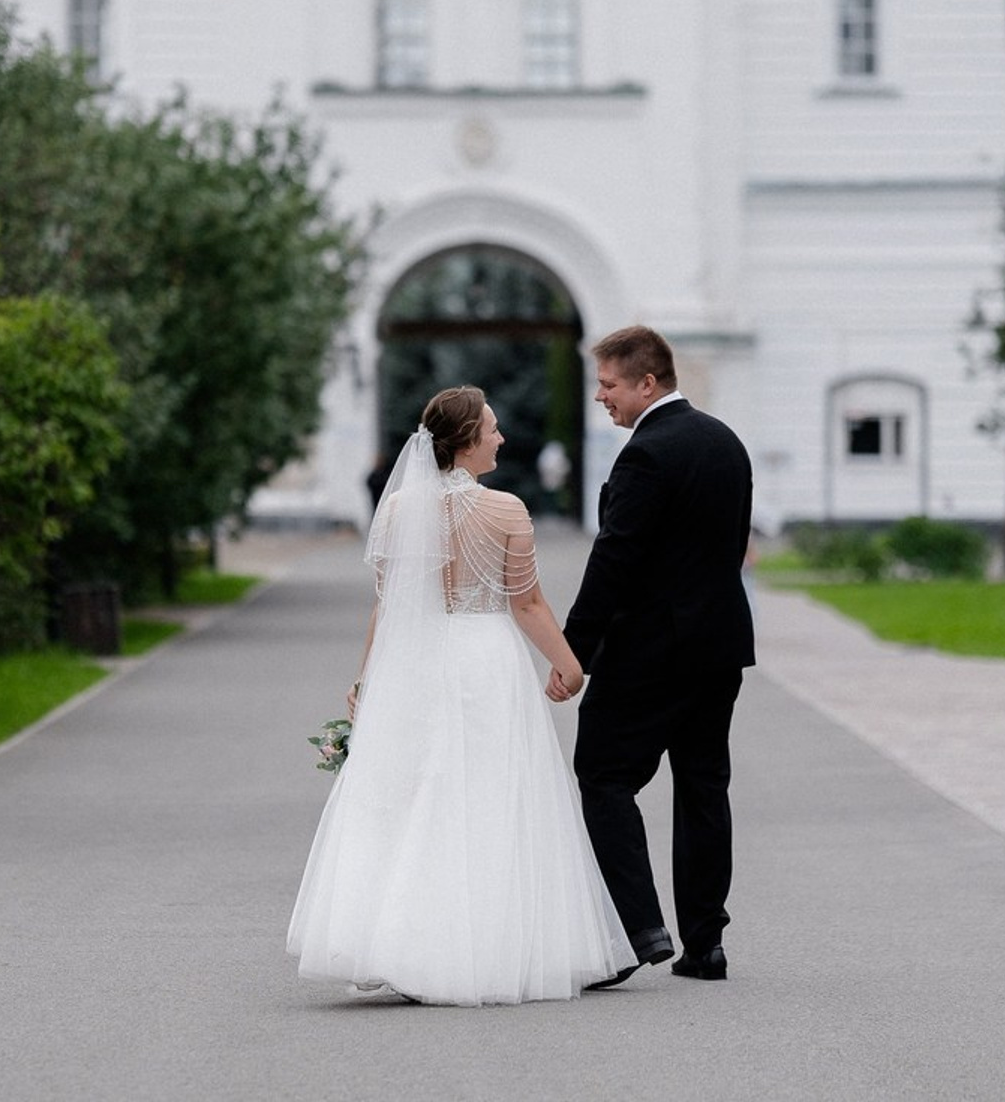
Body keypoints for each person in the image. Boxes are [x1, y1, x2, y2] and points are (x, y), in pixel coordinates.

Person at [288, 386, 635, 1005]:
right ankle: (487, 946)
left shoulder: (397, 511)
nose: (501, 438)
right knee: (488, 795)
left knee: (419, 792)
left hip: (414, 662)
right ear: (468, 441)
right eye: (493, 430)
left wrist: (367, 677)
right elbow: (526, 603)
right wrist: (569, 665)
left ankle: (403, 943)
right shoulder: (505, 511)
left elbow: (389, 605)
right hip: (484, 661)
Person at [548, 326, 755, 986]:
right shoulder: (725, 442)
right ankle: (706, 946)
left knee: (603, 776)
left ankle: (638, 927)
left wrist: (571, 652)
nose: (600, 397)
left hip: (649, 653)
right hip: (719, 647)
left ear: (648, 381)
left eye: (608, 384)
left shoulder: (646, 456)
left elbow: (615, 561)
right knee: (703, 789)